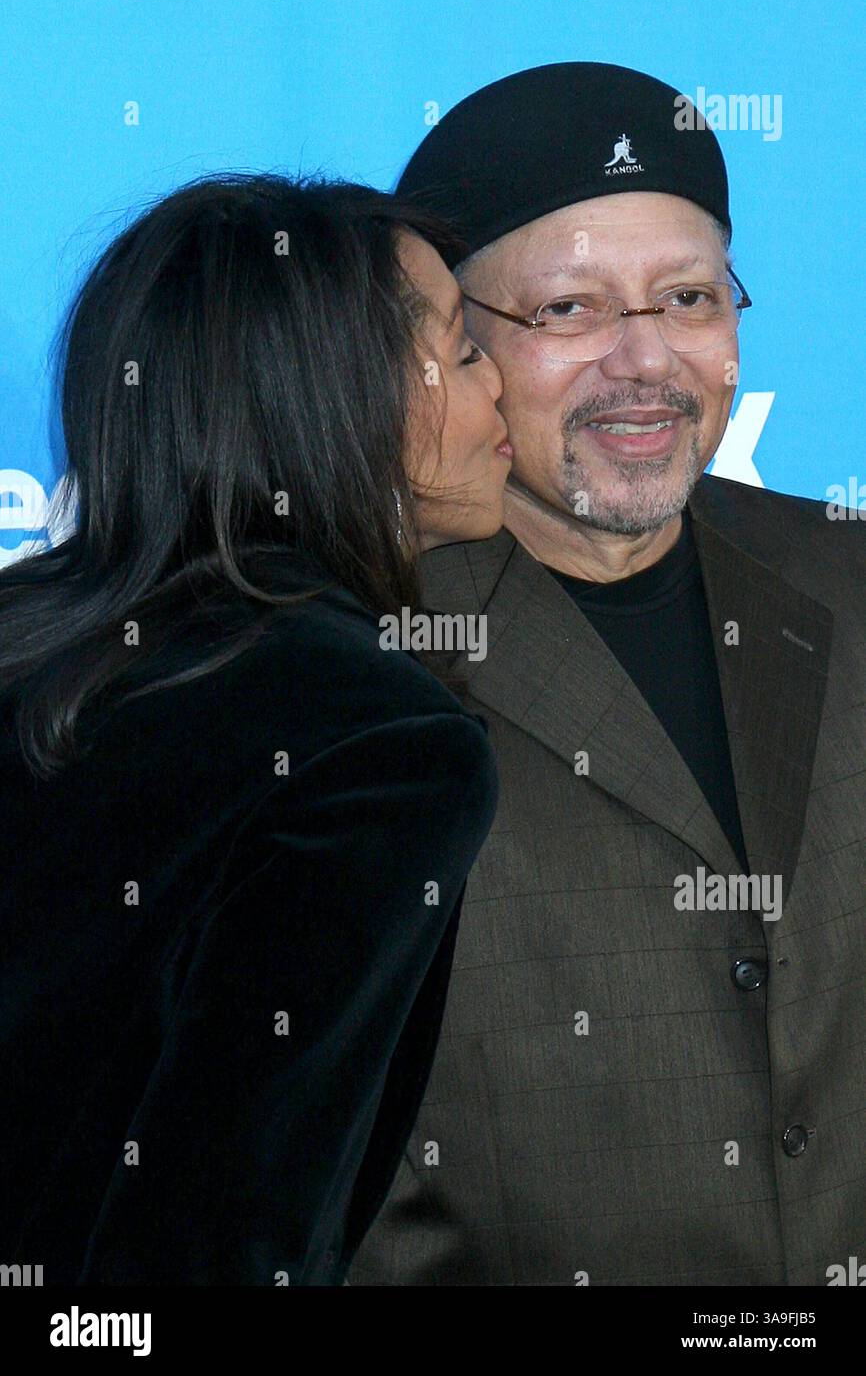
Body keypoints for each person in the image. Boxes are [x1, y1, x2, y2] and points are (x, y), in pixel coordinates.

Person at [350, 63, 866, 1286]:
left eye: (686, 297)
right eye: (569, 312)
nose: (644, 362)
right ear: (447, 351)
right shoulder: (353, 658)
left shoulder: (845, 581)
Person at [0, 172, 513, 1285]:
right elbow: (229, 1226)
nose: (501, 389)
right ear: (343, 393)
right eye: (467, 350)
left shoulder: (27, 639)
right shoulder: (380, 747)